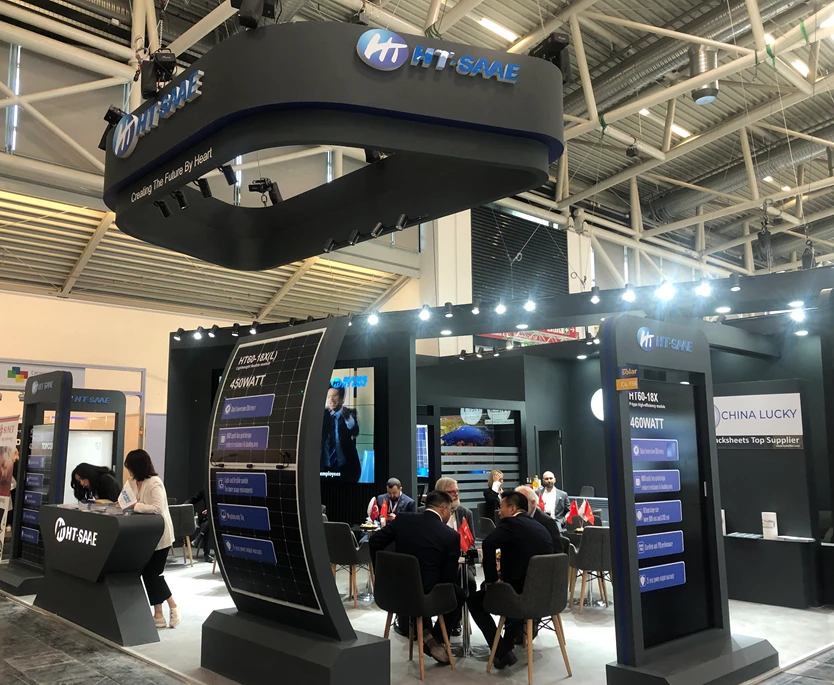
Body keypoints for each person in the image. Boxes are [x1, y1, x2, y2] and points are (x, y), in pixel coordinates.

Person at [370, 490, 463, 665]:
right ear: (443, 509)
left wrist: (381, 574)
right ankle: (434, 638)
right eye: (450, 510)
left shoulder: (403, 520)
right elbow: (448, 579)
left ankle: (427, 635)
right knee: (459, 593)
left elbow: (375, 541)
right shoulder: (450, 536)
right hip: (424, 596)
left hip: (393, 591)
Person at [467, 490, 554, 670]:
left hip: (518, 595)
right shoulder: (540, 526)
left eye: (502, 508)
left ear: (513, 508)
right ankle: (506, 646)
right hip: (545, 596)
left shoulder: (511, 523)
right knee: (508, 586)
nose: (499, 513)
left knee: (474, 600)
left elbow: (488, 543)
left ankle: (501, 650)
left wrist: (491, 580)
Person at [118, 449, 180, 629]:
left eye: (130, 467)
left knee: (152, 574)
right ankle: (158, 614)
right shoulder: (131, 482)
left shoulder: (154, 483)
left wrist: (135, 506)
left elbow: (157, 508)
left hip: (160, 535)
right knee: (148, 574)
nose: (129, 471)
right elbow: (123, 501)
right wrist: (122, 504)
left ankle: (173, 605)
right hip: (143, 535)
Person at [435, 476, 477, 636]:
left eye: (457, 491)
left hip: (462, 563)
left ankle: (455, 620)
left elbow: (472, 543)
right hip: (437, 563)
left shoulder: (465, 513)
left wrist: (461, 558)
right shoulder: (428, 513)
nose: (456, 494)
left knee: (468, 583)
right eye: (451, 492)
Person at [320, 385, 361, 482]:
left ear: (342, 398)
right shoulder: (322, 415)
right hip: (324, 469)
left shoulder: (350, 413)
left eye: (334, 396)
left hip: (346, 468)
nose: (331, 400)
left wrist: (349, 421)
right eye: (329, 396)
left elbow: (355, 432)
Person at [516, 485, 570, 555]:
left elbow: (558, 552)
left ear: (532, 503)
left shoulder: (547, 522)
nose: (517, 507)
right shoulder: (515, 519)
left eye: (521, 503)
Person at [184, 490, 213, 562]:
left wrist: (210, 509)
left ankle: (198, 538)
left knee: (209, 521)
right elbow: (194, 499)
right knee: (207, 523)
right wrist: (184, 506)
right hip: (207, 517)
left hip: (218, 517)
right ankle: (206, 554)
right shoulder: (205, 490)